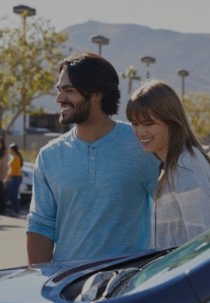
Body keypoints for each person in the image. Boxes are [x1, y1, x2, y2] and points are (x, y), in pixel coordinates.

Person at [26, 53, 160, 264]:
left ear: (96, 94)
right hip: (67, 287)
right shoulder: (49, 156)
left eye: (69, 90)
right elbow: (41, 225)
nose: (60, 98)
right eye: (59, 90)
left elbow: (171, 212)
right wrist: (39, 281)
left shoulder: (142, 146)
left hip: (127, 285)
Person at [126, 80, 210, 249]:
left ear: (171, 121)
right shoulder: (174, 164)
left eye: (149, 123)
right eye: (135, 124)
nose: (140, 132)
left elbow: (204, 241)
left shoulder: (186, 166)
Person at [5, 143, 24, 216]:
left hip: (16, 177)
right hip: (14, 177)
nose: (9, 151)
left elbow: (12, 170)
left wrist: (7, 178)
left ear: (13, 150)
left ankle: (16, 211)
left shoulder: (16, 158)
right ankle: (15, 210)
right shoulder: (14, 157)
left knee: (14, 194)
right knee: (11, 194)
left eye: (10, 149)